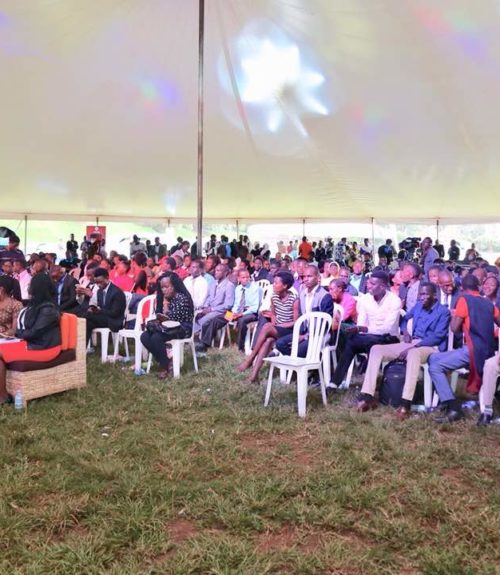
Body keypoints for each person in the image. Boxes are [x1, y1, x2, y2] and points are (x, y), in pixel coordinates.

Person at [355, 283, 450, 418]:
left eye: (425, 294)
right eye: (420, 294)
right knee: (376, 349)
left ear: (434, 295)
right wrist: (405, 332)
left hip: (430, 346)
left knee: (413, 354)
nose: (421, 297)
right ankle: (367, 395)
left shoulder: (443, 312)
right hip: (411, 342)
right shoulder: (418, 306)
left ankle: (406, 403)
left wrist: (415, 346)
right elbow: (404, 320)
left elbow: (438, 336)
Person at [428, 275, 499, 423]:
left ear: (462, 288)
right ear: (478, 287)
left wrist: (454, 316)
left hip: (472, 351)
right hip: (488, 351)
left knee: (435, 366)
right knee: (433, 358)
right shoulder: (488, 303)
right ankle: (443, 399)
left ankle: (453, 408)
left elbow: (454, 329)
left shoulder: (464, 300)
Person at [329, 271, 402, 388]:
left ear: (382, 286)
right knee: (352, 340)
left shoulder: (394, 301)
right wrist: (359, 329)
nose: (368, 286)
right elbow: (361, 323)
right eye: (368, 283)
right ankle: (335, 382)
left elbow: (386, 328)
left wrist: (364, 329)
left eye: (373, 284)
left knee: (364, 341)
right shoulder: (365, 299)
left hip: (389, 338)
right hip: (369, 337)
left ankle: (366, 380)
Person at [0, 273, 61, 404]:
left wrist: (15, 334)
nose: (28, 287)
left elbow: (34, 332)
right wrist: (16, 334)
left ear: (37, 287)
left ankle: (3, 397)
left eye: (30, 284)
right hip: (31, 343)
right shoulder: (35, 305)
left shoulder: (48, 309)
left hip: (44, 348)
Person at [238, 271, 299, 383]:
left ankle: (250, 359)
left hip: (289, 331)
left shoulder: (294, 299)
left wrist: (278, 325)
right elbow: (274, 315)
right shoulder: (274, 297)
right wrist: (273, 320)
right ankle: (254, 376)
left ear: (285, 286)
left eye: (276, 283)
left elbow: (296, 322)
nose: (273, 285)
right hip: (277, 329)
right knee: (267, 341)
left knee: (266, 326)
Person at [140, 273, 194, 379]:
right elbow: (162, 317)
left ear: (174, 286)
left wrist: (165, 305)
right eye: (162, 287)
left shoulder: (182, 298)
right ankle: (165, 361)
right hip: (168, 327)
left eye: (166, 287)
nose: (164, 290)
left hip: (182, 328)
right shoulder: (166, 297)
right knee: (144, 336)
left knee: (156, 337)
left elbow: (172, 318)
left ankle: (164, 366)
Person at [275, 265, 333, 357]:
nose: (306, 279)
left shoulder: (324, 296)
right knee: (280, 343)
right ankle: (295, 360)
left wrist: (305, 337)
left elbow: (324, 324)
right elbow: (301, 316)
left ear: (318, 278)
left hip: (319, 336)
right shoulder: (302, 294)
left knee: (297, 351)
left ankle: (296, 360)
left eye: (309, 276)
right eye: (304, 276)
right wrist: (300, 334)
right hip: (304, 333)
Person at [195, 264, 235, 351]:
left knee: (210, 319)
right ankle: (193, 336)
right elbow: (209, 298)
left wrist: (211, 309)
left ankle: (204, 344)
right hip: (212, 309)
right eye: (215, 270)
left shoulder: (229, 285)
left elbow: (228, 305)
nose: (215, 272)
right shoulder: (213, 284)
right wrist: (205, 307)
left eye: (218, 271)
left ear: (225, 273)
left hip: (229, 313)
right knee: (197, 315)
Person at [84, 268, 126, 345]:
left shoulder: (117, 292)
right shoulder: (99, 291)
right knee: (87, 322)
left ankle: (82, 348)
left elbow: (115, 313)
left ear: (107, 278)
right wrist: (92, 309)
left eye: (100, 282)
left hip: (115, 321)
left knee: (86, 317)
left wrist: (99, 311)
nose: (98, 285)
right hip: (104, 318)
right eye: (96, 283)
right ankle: (82, 348)